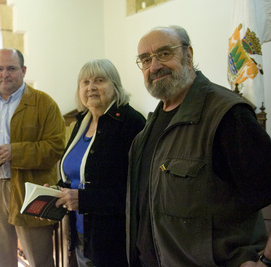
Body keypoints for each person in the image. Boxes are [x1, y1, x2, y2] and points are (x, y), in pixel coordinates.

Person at [126, 25, 271, 266]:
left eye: (164, 53)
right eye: (145, 59)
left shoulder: (226, 115)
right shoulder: (146, 131)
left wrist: (265, 261)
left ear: (189, 55)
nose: (154, 66)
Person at [0, 48, 66, 267]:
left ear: (23, 70)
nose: (4, 74)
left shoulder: (44, 103)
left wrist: (14, 152)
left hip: (29, 189)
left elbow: (55, 147)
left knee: (39, 258)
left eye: (11, 68)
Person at [54, 59, 146, 267]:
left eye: (99, 80)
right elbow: (77, 176)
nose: (91, 87)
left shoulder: (131, 123)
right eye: (85, 82)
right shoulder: (81, 122)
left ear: (115, 85)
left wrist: (85, 200)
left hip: (112, 239)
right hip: (80, 233)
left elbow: (138, 192)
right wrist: (56, 193)